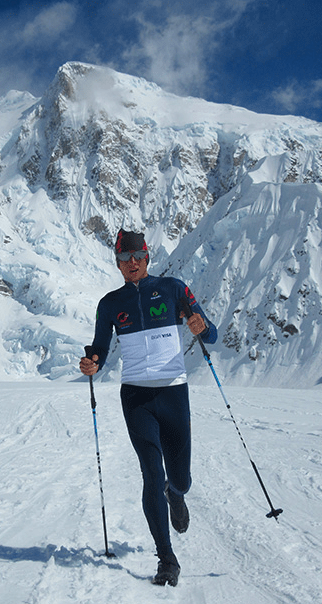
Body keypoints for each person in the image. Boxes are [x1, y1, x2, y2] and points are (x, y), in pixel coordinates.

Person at [80, 229, 218, 587]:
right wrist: (91, 362)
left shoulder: (173, 288)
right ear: (117, 262)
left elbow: (211, 334)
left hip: (173, 394)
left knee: (180, 478)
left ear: (147, 255)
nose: (132, 264)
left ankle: (178, 495)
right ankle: (166, 558)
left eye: (137, 256)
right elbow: (99, 347)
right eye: (124, 259)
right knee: (152, 474)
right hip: (137, 398)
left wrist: (202, 327)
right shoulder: (110, 304)